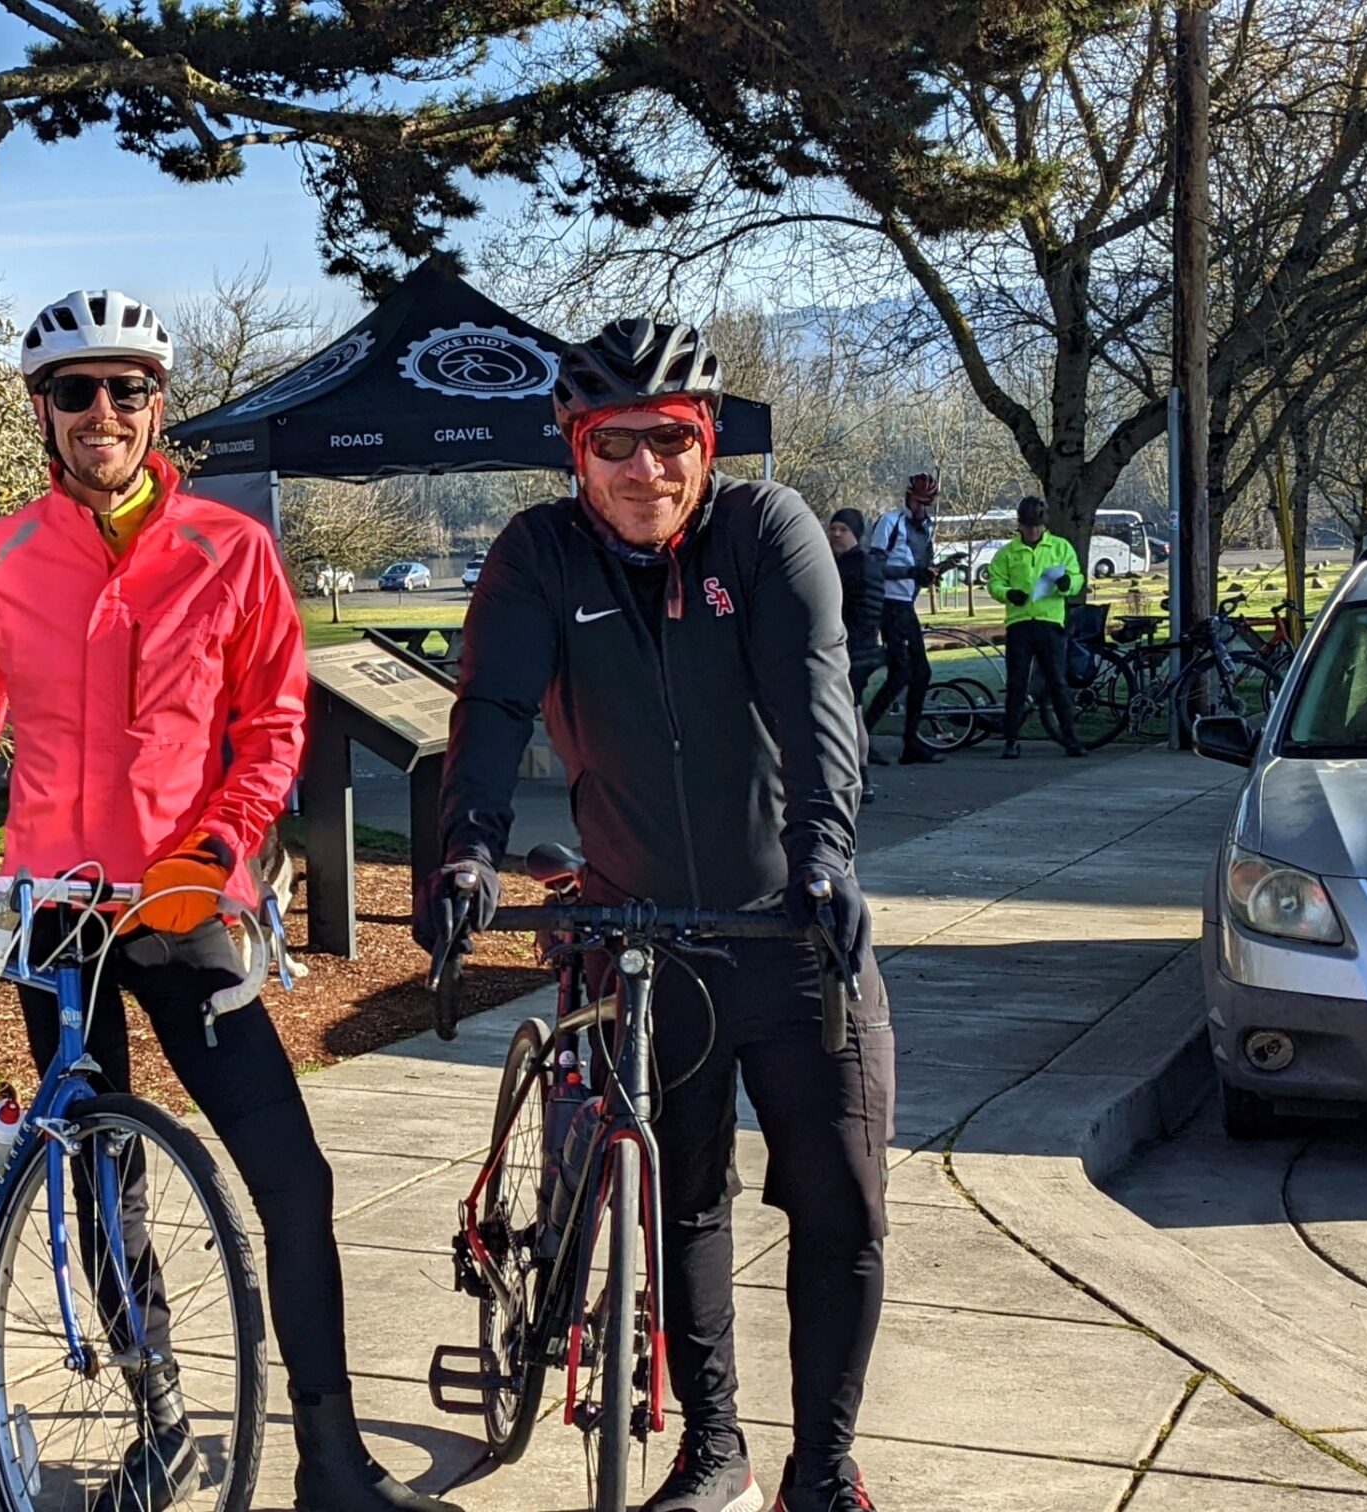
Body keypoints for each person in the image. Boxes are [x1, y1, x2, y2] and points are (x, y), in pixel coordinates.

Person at [0, 290, 461, 1512]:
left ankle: (330, 1464)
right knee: (94, 1174)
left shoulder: (229, 549)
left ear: (157, 405)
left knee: (292, 1178)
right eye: (76, 391)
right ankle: (159, 1414)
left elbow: (271, 728)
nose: (103, 412)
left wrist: (216, 848)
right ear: (42, 412)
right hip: (54, 911)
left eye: (126, 389)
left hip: (184, 903)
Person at [422, 318, 892, 1512]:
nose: (646, 472)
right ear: (575, 452)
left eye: (670, 441)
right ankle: (713, 1445)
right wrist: (466, 849)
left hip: (786, 932)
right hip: (643, 938)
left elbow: (814, 694)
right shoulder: (538, 556)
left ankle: (822, 1467)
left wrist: (825, 856)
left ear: (707, 441)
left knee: (837, 1200)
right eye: (614, 444)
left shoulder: (766, 530)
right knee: (682, 1197)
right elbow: (490, 708)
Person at [985, 497, 1087, 759]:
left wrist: (1067, 583)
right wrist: (1009, 594)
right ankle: (1011, 740)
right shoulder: (1008, 553)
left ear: (1044, 525)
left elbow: (1076, 577)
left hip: (1049, 623)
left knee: (1057, 682)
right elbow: (995, 581)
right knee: (1017, 683)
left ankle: (1070, 739)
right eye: (1028, 526)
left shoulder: (1060, 547)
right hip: (1019, 623)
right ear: (1020, 525)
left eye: (1037, 526)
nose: (1032, 531)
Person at [863, 474, 943, 763]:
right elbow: (874, 566)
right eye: (918, 503)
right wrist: (909, 573)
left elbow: (923, 564)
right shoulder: (889, 523)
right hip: (888, 604)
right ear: (908, 497)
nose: (922, 509)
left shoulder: (927, 528)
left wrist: (932, 572)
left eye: (927, 504)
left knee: (919, 673)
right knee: (904, 672)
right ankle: (864, 737)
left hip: (906, 605)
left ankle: (910, 742)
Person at [827, 508, 888, 799]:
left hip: (850, 650)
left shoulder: (848, 568)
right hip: (865, 649)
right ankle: (862, 777)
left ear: (856, 534)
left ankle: (857, 777)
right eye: (833, 529)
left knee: (847, 717)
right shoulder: (870, 564)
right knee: (855, 713)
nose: (836, 534)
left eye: (843, 530)